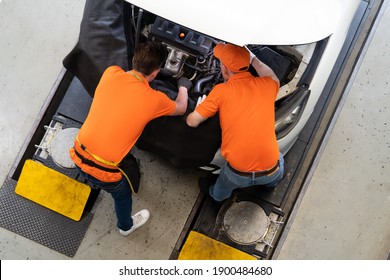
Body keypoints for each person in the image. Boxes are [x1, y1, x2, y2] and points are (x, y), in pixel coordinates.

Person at [69, 41, 191, 236]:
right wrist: (183, 86)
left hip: (76, 153)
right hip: (106, 173)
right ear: (155, 72)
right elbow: (181, 108)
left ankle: (90, 180)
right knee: (123, 196)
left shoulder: (111, 73)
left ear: (135, 59)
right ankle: (125, 227)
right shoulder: (154, 99)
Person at [186, 43, 284, 202]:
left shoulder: (221, 91)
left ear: (224, 68)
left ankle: (215, 196)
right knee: (275, 173)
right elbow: (274, 78)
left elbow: (192, 122)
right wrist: (253, 60)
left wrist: (198, 108)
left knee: (221, 191)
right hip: (272, 168)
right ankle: (269, 186)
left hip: (238, 174)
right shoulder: (267, 85)